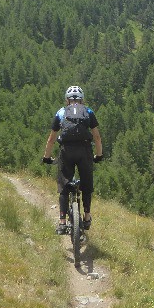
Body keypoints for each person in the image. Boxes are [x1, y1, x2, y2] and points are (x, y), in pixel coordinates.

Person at [42, 85, 103, 234]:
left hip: (66, 151)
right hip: (84, 151)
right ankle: (87, 217)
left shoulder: (61, 112)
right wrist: (99, 155)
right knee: (87, 185)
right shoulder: (88, 112)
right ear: (82, 99)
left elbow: (51, 139)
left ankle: (62, 222)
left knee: (64, 186)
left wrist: (47, 157)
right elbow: (97, 137)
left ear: (66, 99)